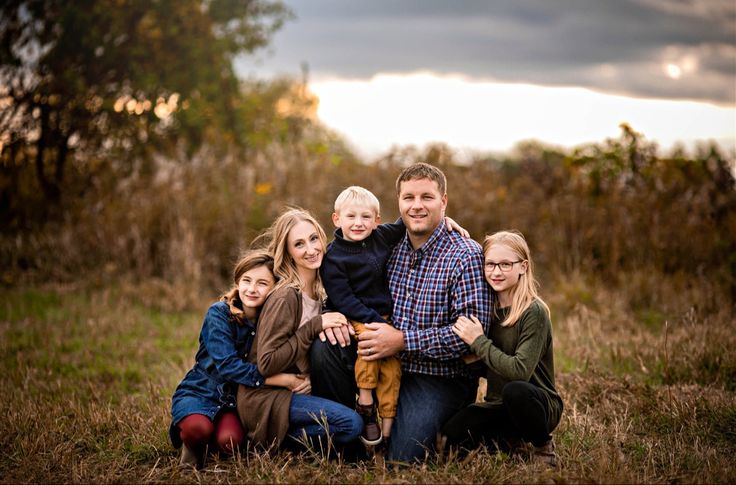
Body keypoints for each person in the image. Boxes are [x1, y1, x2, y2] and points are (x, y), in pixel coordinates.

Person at [311, 163, 491, 463]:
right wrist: (330, 315)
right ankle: (345, 438)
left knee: (403, 459)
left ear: (443, 201)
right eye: (409, 198)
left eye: (427, 197)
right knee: (325, 347)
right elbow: (347, 266)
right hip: (380, 352)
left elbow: (470, 334)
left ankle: (443, 428)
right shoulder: (387, 243)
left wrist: (402, 341)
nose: (417, 206)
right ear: (399, 203)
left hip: (437, 375)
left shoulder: (465, 255)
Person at [236, 208, 363, 453]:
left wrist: (443, 222)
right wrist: (314, 326)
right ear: (289, 253)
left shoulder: (322, 288)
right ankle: (272, 441)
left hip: (298, 389)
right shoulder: (286, 296)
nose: (311, 249)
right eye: (299, 244)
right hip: (268, 398)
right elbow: (267, 363)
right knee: (351, 425)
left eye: (314, 238)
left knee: (349, 427)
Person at [170, 250, 308, 469]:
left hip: (234, 400)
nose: (252, 289)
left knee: (230, 442)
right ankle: (193, 444)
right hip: (202, 390)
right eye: (246, 280)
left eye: (262, 283)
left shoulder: (269, 320)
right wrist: (283, 380)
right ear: (237, 281)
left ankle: (211, 444)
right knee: (198, 429)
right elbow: (228, 367)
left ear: (274, 288)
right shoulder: (219, 313)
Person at [440, 230, 563, 467]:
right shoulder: (489, 309)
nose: (496, 272)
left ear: (523, 266)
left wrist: (479, 342)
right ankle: (510, 441)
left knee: (515, 391)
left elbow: (519, 371)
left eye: (505, 264)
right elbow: (494, 366)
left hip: (536, 405)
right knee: (447, 441)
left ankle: (542, 447)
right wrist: (473, 361)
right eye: (490, 264)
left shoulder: (533, 312)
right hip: (498, 405)